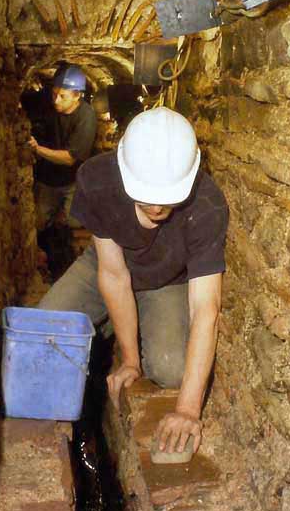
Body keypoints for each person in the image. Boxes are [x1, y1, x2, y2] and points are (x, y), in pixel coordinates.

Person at [38, 107, 229, 456]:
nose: (156, 207)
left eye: (167, 198)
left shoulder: (207, 205)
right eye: (145, 197)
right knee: (46, 328)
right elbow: (113, 274)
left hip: (165, 279)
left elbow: (206, 307)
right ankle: (111, 327)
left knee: (172, 369)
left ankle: (115, 323)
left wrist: (187, 409)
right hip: (108, 268)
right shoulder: (97, 180)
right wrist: (129, 360)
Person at [28, 64, 97, 237]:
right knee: (39, 222)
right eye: (54, 94)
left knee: (74, 224)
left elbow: (70, 158)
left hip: (73, 180)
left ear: (77, 96)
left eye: (62, 96)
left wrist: (37, 149)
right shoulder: (47, 101)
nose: (56, 100)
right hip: (47, 179)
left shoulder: (86, 117)